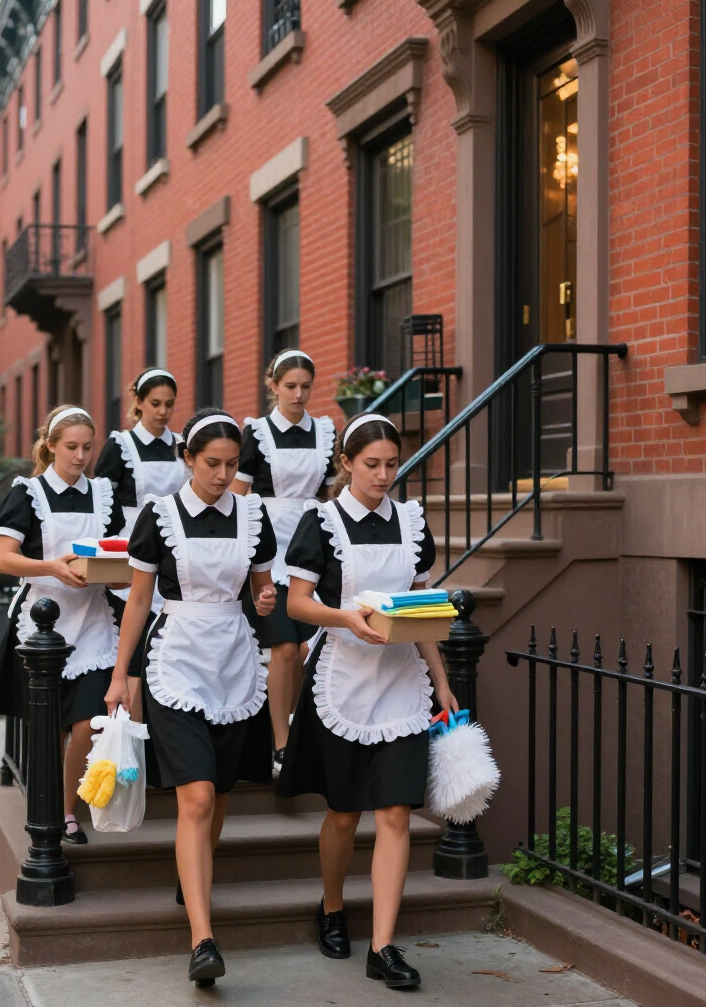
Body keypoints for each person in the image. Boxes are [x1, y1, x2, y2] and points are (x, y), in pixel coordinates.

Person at [277, 413, 460, 991]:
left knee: (396, 814)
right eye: (372, 464)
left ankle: (382, 945)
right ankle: (332, 905)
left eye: (391, 464)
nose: (384, 475)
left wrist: (443, 679)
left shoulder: (412, 522)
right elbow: (298, 603)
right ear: (347, 465)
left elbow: (419, 608)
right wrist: (344, 618)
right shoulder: (321, 522)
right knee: (344, 812)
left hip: (403, 682)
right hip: (343, 681)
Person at [106, 409, 278, 987]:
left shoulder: (254, 515)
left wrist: (266, 596)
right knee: (197, 797)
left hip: (234, 657)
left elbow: (260, 583)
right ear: (188, 459)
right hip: (176, 658)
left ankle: (193, 872)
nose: (224, 474)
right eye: (212, 464)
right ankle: (203, 940)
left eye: (232, 465)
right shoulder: (158, 516)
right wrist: (119, 673)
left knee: (220, 794)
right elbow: (136, 600)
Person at [0, 405, 125, 845]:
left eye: (87, 447)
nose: (80, 456)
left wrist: (113, 572)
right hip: (42, 623)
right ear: (50, 445)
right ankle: (45, 807)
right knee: (50, 726)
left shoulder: (103, 493)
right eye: (71, 447)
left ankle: (66, 811)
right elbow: (3, 558)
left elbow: (117, 555)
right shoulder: (28, 492)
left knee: (89, 722)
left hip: (94, 620)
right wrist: (52, 567)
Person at [231, 350, 336, 774]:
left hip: (311, 546)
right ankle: (281, 743)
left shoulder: (327, 432)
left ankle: (303, 733)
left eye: (305, 386)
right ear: (272, 386)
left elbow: (331, 497)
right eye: (289, 386)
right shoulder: (255, 433)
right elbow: (238, 496)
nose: (298, 394)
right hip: (268, 545)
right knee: (285, 647)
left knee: (313, 648)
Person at [93, 368, 187, 718]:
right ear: (138, 402)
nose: (163, 411)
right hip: (132, 546)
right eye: (155, 403)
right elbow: (102, 501)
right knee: (134, 649)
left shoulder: (182, 445)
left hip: (175, 546)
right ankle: (132, 741)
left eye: (169, 404)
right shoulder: (121, 445)